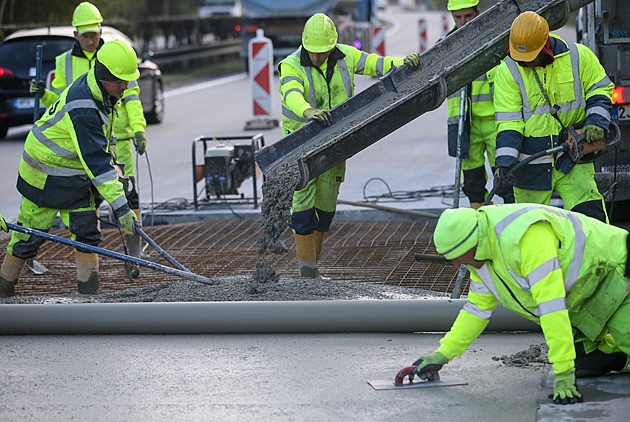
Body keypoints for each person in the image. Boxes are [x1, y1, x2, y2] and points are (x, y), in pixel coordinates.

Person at [403, 204, 629, 405]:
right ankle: (613, 350)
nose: (455, 263)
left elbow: (551, 306)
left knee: (625, 333)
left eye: (458, 255)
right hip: (585, 297)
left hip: (616, 274)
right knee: (583, 361)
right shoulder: (479, 258)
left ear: (473, 243)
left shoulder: (526, 237)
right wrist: (443, 355)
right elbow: (476, 310)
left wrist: (563, 373)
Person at [278, 13, 420, 278]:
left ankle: (312, 269)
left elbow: (377, 64)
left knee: (325, 211)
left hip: (335, 145)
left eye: (322, 52)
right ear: (304, 45)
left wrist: (403, 62)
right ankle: (306, 272)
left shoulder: (346, 55)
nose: (317, 57)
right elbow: (291, 93)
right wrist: (307, 111)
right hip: (301, 149)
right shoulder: (290, 65)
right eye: (312, 52)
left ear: (332, 46)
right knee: (302, 210)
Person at [0, 40, 141, 297]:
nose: (126, 85)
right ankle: (3, 289)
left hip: (74, 177)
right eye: (121, 80)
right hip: (43, 175)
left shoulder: (104, 92)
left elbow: (103, 145)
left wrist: (117, 171)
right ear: (104, 75)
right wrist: (121, 208)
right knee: (27, 238)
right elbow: (96, 162)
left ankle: (88, 297)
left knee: (87, 235)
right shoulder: (84, 107)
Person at [30, 1, 148, 274]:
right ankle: (90, 263)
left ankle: (135, 254)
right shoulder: (64, 63)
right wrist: (42, 93)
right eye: (86, 35)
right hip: (81, 143)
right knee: (91, 198)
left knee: (128, 196)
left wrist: (139, 128)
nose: (91, 39)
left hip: (116, 140)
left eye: (94, 34)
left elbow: (131, 98)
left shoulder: (114, 56)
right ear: (76, 35)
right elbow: (59, 105)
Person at [493, 11, 613, 222]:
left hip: (573, 159)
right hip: (531, 166)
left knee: (592, 222)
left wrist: (596, 120)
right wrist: (504, 163)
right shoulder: (507, 71)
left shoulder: (578, 56)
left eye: (529, 59)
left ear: (544, 46)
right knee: (530, 232)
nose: (525, 64)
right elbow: (509, 123)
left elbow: (600, 89)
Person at [444, 0, 514, 209]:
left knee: (507, 178)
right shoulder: (447, 47)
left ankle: (513, 220)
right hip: (466, 126)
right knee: (473, 181)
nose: (463, 22)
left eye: (468, 16)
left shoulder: (496, 39)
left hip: (497, 123)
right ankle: (481, 222)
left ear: (478, 13)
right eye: (458, 17)